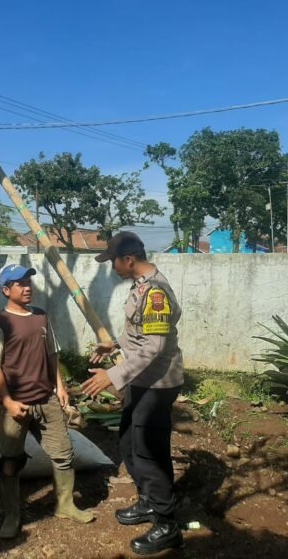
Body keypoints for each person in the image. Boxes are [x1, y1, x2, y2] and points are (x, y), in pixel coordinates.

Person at [81, 231, 184, 555]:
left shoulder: (155, 293)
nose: (111, 267)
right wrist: (114, 344)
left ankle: (167, 524)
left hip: (158, 382)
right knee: (128, 442)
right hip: (142, 379)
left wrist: (112, 376)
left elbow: (153, 348)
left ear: (128, 260)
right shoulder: (141, 286)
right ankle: (148, 500)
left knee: (149, 450)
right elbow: (139, 333)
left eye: (112, 261)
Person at [0, 264, 94, 539]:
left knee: (64, 454)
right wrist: (8, 402)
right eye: (20, 284)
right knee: (11, 461)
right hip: (15, 406)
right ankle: (12, 515)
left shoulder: (41, 316)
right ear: (6, 290)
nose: (27, 287)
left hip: (46, 400)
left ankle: (65, 505)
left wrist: (60, 386)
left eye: (28, 282)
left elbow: (51, 354)